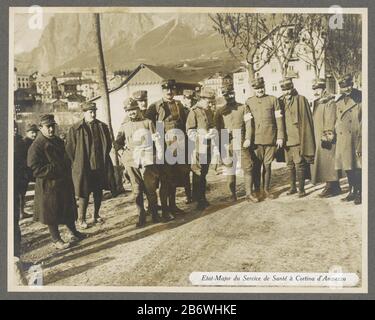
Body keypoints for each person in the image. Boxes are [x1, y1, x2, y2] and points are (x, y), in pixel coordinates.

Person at [27, 114, 85, 250]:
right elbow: (34, 168)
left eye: (53, 126)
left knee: (67, 209)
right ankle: (56, 239)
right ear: (41, 128)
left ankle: (74, 232)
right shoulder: (37, 145)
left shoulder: (57, 141)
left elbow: (66, 156)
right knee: (51, 214)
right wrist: (55, 168)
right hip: (48, 185)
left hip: (63, 182)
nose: (51, 130)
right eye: (48, 127)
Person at [65, 102, 115, 229]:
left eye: (94, 111)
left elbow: (108, 145)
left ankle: (96, 215)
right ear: (84, 113)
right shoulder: (76, 129)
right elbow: (70, 149)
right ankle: (81, 219)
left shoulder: (102, 126)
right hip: (84, 167)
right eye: (90, 112)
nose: (93, 114)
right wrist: (77, 164)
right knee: (84, 193)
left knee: (98, 192)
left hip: (99, 166)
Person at [115, 99, 163, 227]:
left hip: (147, 161)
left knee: (151, 189)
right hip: (132, 162)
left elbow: (157, 141)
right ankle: (141, 216)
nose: (131, 113)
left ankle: (155, 215)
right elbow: (118, 143)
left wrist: (158, 155)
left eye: (133, 110)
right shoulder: (124, 126)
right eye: (128, 111)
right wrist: (124, 156)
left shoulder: (148, 123)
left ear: (138, 110)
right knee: (137, 190)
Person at [145, 79, 188, 219]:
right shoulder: (155, 107)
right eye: (166, 90)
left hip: (178, 147)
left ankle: (173, 206)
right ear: (162, 91)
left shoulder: (179, 105)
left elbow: (184, 125)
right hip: (164, 149)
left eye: (171, 90)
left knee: (174, 179)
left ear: (174, 91)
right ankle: (164, 210)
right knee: (165, 180)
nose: (169, 92)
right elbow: (147, 126)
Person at [245, 77, 284, 200]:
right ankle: (257, 191)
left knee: (267, 166)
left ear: (264, 87)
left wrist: (280, 136)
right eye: (257, 88)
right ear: (254, 89)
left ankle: (266, 190)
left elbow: (279, 120)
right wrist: (248, 139)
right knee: (256, 166)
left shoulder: (273, 100)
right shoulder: (249, 102)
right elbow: (248, 123)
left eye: (261, 87)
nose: (259, 90)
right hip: (256, 141)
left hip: (271, 139)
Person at [215, 93, 255, 202]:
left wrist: (248, 139)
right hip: (226, 142)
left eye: (231, 94)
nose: (229, 97)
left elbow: (248, 124)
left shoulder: (243, 107)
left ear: (234, 94)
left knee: (247, 167)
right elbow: (217, 129)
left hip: (240, 140)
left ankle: (249, 194)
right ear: (224, 97)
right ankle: (232, 195)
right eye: (227, 96)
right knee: (229, 168)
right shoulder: (220, 111)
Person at [279, 78, 315, 198]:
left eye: (289, 89)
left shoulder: (301, 99)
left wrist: (305, 139)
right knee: (290, 165)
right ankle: (292, 187)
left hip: (298, 139)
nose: (287, 92)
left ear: (292, 87)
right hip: (286, 140)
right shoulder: (280, 101)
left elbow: (306, 120)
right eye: (284, 90)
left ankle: (301, 189)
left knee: (299, 164)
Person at [186, 87, 217, 210]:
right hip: (197, 148)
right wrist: (203, 135)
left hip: (207, 147)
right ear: (202, 99)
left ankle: (202, 198)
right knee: (198, 173)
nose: (210, 104)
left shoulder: (208, 110)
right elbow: (190, 131)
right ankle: (198, 200)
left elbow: (212, 124)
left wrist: (213, 131)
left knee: (203, 173)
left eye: (211, 102)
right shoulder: (194, 112)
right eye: (208, 101)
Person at [311, 78, 341, 197]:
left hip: (326, 137)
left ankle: (331, 187)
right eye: (314, 89)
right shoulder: (319, 101)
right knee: (325, 162)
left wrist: (327, 136)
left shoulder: (329, 101)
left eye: (318, 89)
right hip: (318, 136)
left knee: (329, 161)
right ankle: (334, 186)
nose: (316, 91)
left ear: (323, 89)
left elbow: (330, 119)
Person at [334, 74, 362, 205]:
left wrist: (361, 142)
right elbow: (337, 119)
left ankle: (360, 193)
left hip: (356, 138)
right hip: (343, 138)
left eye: (349, 85)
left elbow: (364, 121)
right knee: (348, 167)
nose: (347, 89)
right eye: (344, 87)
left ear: (352, 84)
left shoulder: (360, 98)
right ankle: (351, 191)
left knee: (357, 167)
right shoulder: (339, 100)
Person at [19, 123, 38, 220]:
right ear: (27, 132)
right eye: (32, 132)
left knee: (24, 192)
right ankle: (21, 212)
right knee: (22, 192)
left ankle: (23, 212)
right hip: (25, 171)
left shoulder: (34, 142)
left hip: (31, 170)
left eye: (35, 132)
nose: (34, 134)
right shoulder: (24, 143)